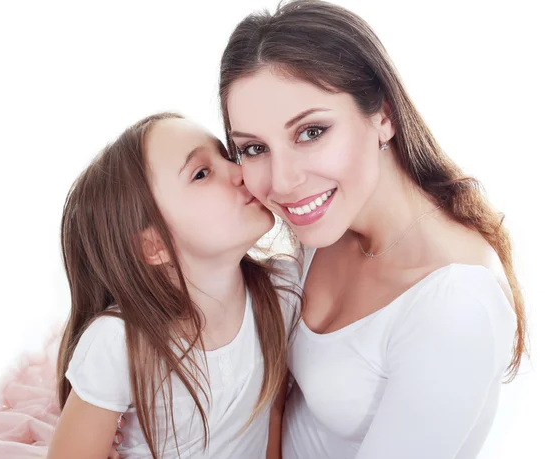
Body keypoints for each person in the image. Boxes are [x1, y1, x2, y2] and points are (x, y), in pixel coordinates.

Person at [219, 1, 526, 457]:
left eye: (311, 132)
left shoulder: (454, 305)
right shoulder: (328, 228)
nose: (281, 182)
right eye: (254, 148)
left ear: (383, 115)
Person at [46, 112, 300, 459]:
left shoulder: (280, 294)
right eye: (201, 173)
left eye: (227, 156)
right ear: (154, 246)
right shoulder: (121, 343)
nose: (242, 171)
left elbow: (273, 413)